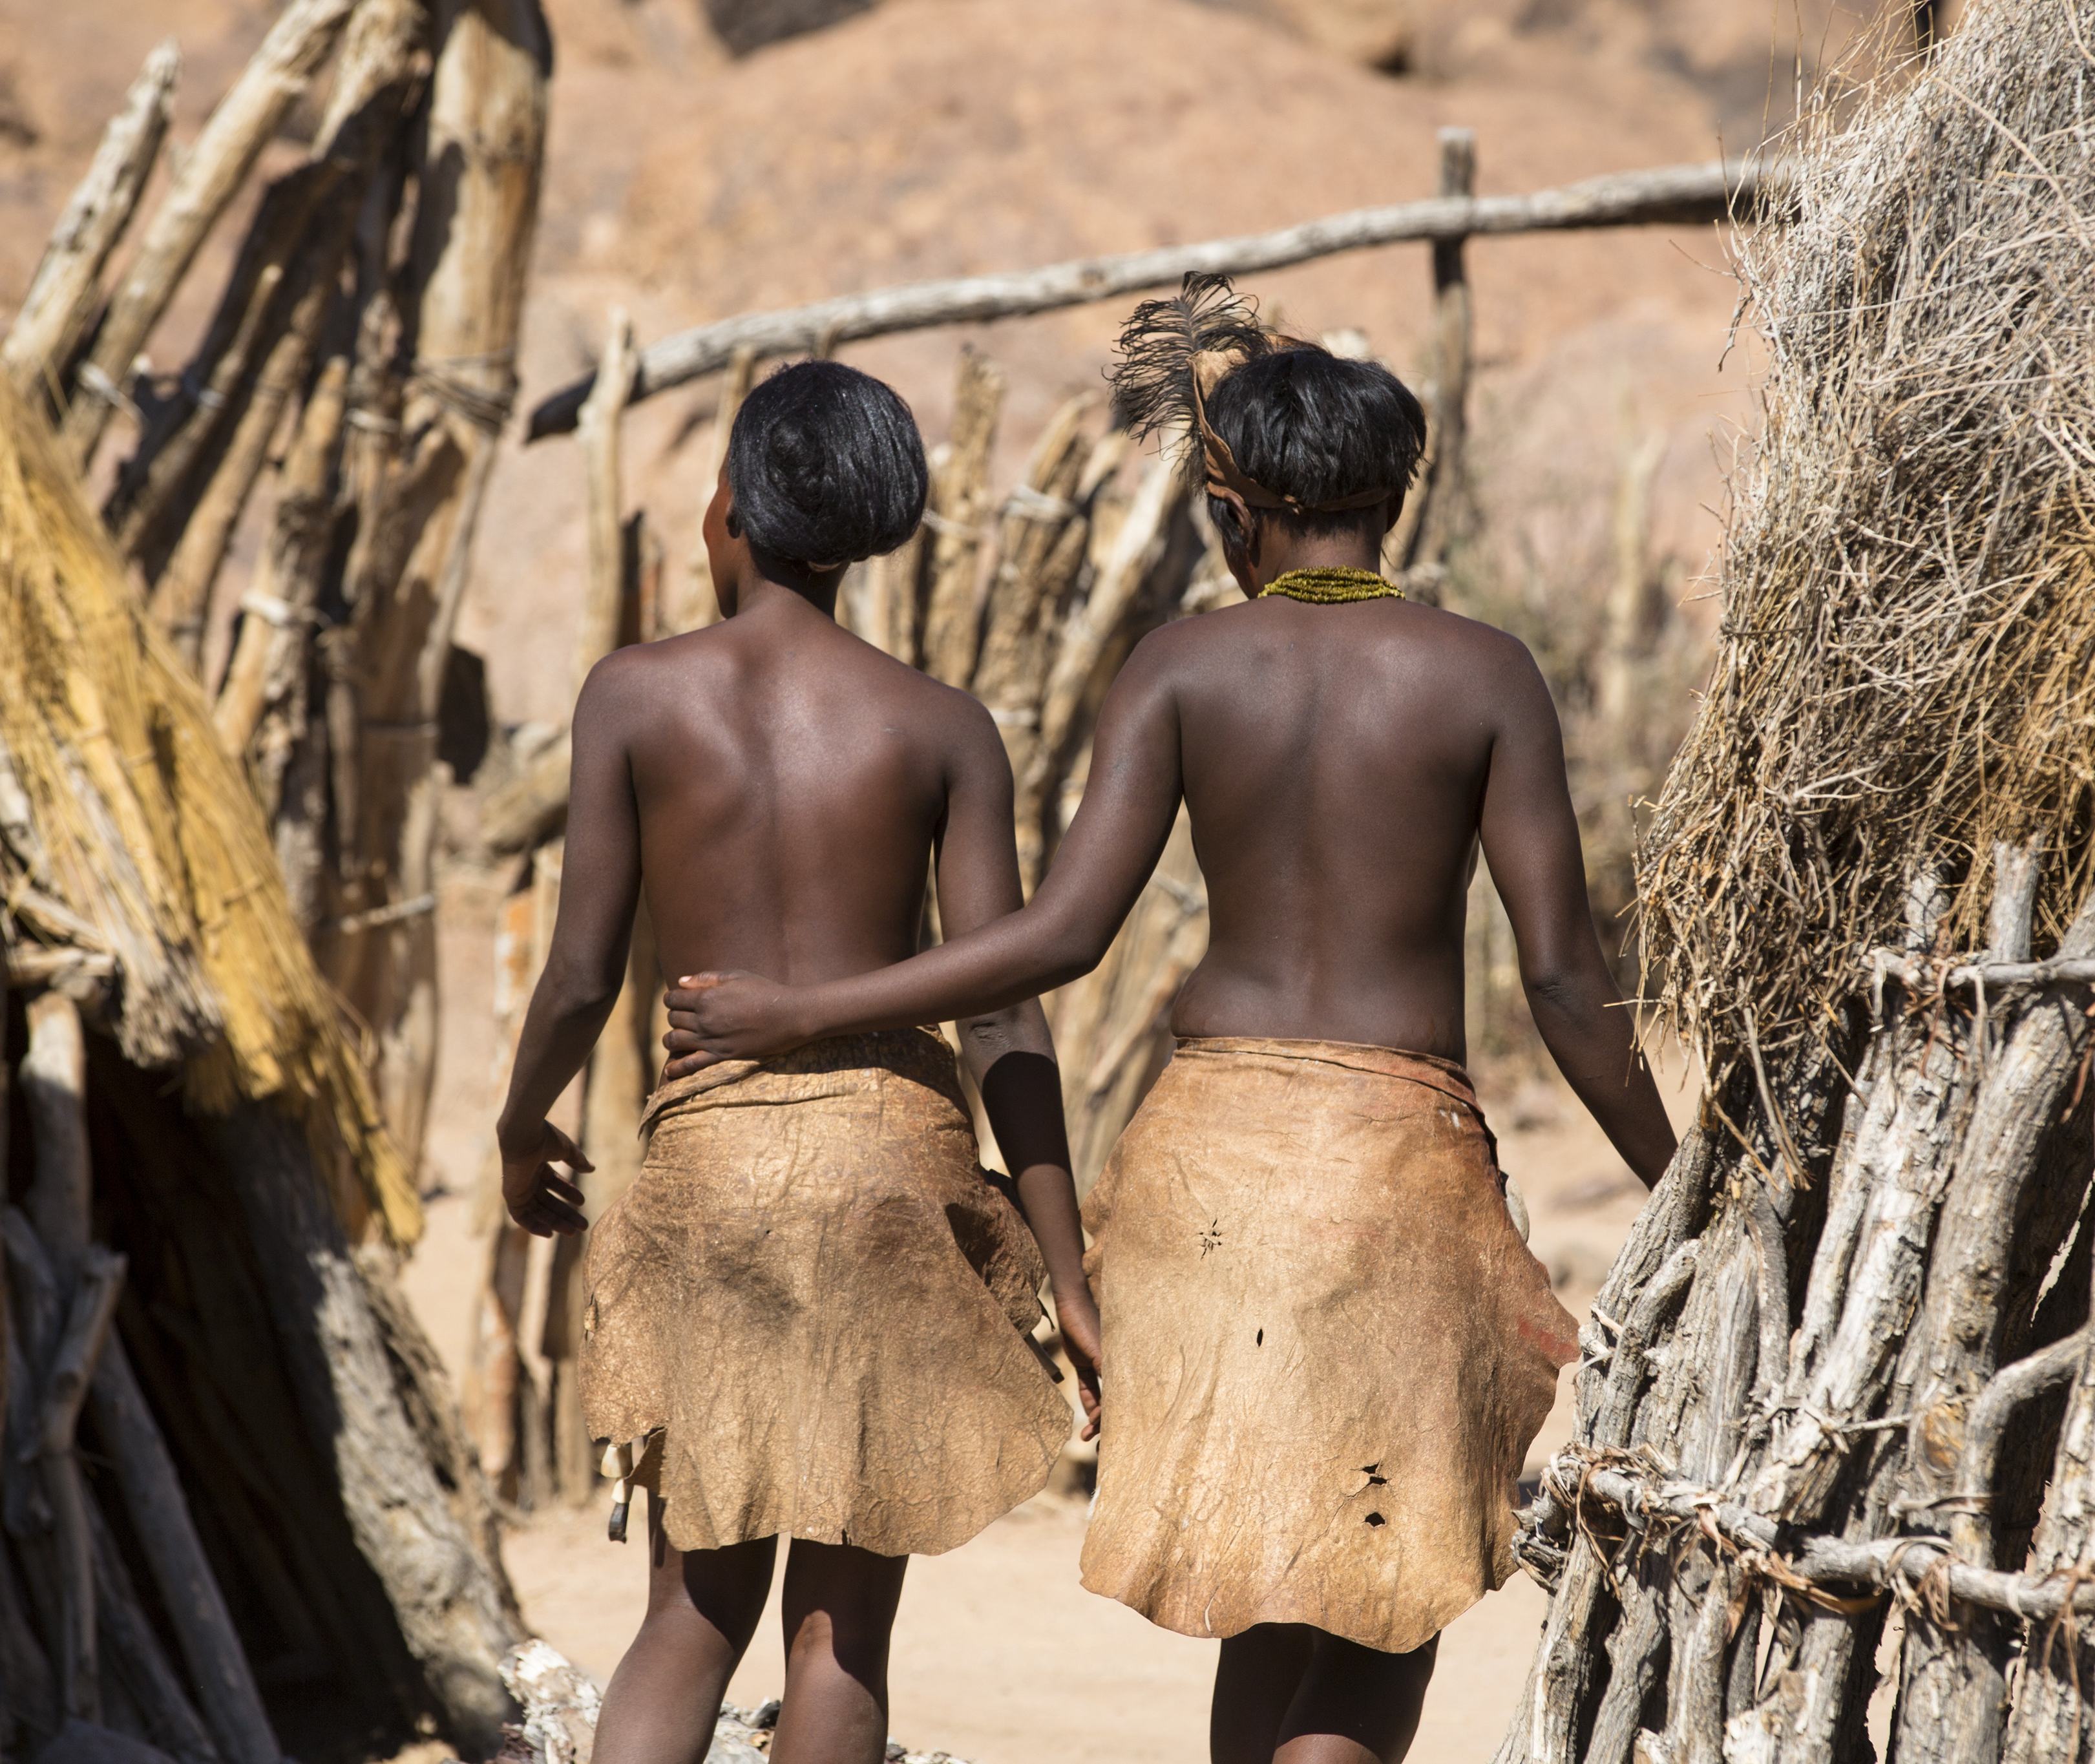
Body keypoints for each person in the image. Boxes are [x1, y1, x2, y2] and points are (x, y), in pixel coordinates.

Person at [656, 275, 1679, 1764]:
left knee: (1266, 1595)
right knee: (1372, 1607)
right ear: (1395, 493)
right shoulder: (1481, 674)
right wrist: (1692, 1179)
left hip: (1207, 1179)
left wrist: (801, 1006)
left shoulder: (1183, 667)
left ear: (1233, 511)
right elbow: (1567, 987)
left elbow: (1055, 938)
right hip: (1395, 1169)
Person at [494, 359, 1102, 1764]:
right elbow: (1007, 1008)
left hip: (716, 1172)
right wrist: (1064, 1273)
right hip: (896, 1173)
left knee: (691, 1613)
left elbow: (584, 970)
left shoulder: (635, 697)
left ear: (732, 514)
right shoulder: (942, 727)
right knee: (843, 1636)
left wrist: (526, 1124)